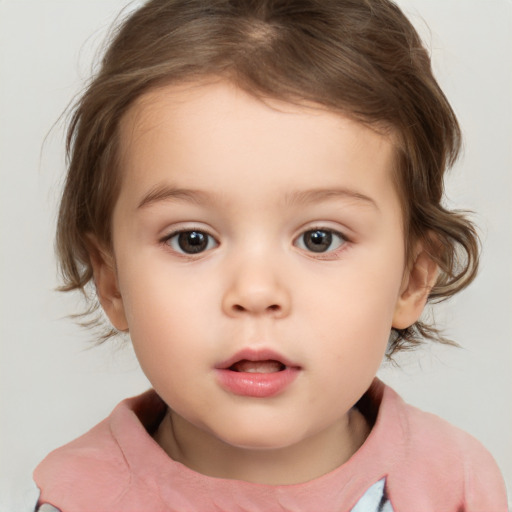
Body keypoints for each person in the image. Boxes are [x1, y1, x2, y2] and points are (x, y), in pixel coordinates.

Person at [31, 0, 507, 510]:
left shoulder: (453, 484)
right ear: (111, 279)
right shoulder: (79, 499)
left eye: (319, 238)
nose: (256, 292)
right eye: (192, 239)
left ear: (413, 279)